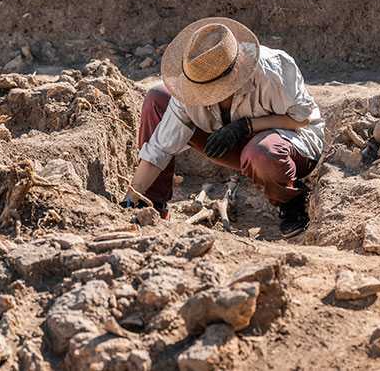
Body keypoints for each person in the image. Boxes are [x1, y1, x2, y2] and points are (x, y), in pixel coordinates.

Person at [121, 17, 325, 238]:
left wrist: (246, 126)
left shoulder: (273, 69)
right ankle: (151, 205)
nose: (202, 96)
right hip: (234, 145)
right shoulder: (192, 81)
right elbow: (159, 147)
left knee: (261, 152)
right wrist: (132, 197)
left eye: (211, 89)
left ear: (234, 75)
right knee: (158, 97)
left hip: (291, 143)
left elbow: (301, 119)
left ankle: (291, 201)